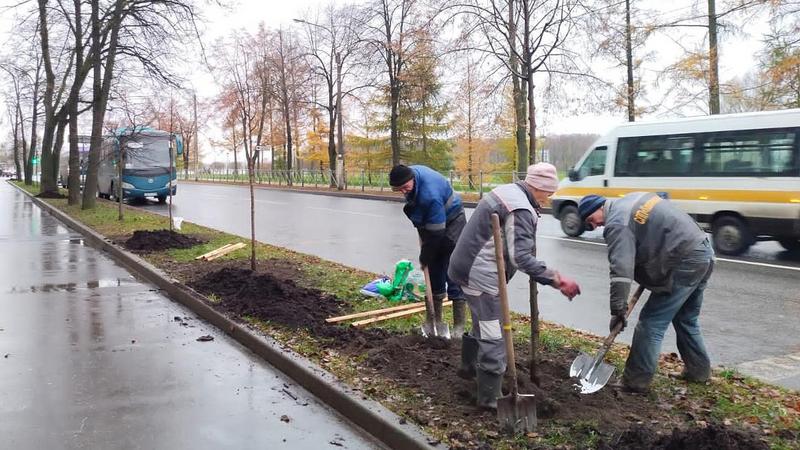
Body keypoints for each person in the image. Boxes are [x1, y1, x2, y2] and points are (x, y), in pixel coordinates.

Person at [448, 163, 581, 409]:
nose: (548, 199)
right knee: (494, 335)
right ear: (538, 187)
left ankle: (468, 369)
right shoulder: (519, 208)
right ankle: (489, 399)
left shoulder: (508, 191)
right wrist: (557, 279)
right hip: (481, 276)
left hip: (465, 266)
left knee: (484, 323)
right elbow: (521, 257)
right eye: (548, 193)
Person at [579, 192, 714, 393]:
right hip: (702, 251)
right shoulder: (631, 199)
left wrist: (618, 309)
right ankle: (698, 371)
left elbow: (621, 272)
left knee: (650, 324)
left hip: (683, 260)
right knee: (686, 318)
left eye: (592, 220)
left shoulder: (617, 223)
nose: (596, 225)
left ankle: (636, 382)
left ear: (600, 208)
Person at [389, 164, 467, 337]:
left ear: (413, 179)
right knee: (433, 269)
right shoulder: (409, 175)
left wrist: (425, 256)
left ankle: (459, 328)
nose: (403, 191)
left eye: (405, 187)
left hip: (453, 220)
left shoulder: (430, 195)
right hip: (433, 221)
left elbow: (437, 233)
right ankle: (434, 322)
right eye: (398, 189)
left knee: (452, 267)